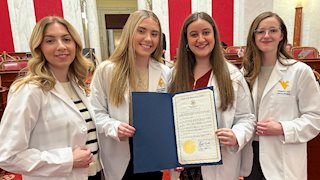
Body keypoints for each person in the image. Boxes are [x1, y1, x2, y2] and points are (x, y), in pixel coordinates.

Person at [0, 16, 102, 180]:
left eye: (66, 39)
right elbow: (7, 155)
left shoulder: (77, 85)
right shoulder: (29, 91)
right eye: (50, 41)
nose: (61, 46)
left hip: (92, 174)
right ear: (39, 48)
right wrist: (67, 160)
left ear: (75, 44)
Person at [168, 12, 255, 180]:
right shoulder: (174, 75)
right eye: (194, 34)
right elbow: (167, 121)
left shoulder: (232, 76)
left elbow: (247, 118)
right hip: (184, 165)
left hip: (219, 165)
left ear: (214, 36)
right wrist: (171, 153)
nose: (200, 39)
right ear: (186, 40)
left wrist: (236, 135)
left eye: (206, 32)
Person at [89, 10, 171, 180]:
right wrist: (114, 126)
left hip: (152, 153)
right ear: (129, 32)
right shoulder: (106, 70)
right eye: (141, 31)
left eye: (154, 34)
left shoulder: (165, 72)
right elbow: (95, 112)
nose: (148, 39)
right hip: (119, 152)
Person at [242, 12, 320, 180]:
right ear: (253, 36)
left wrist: (282, 128)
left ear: (281, 34)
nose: (266, 35)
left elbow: (315, 118)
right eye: (260, 31)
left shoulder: (300, 71)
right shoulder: (245, 73)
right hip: (250, 157)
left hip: (283, 156)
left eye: (273, 30)